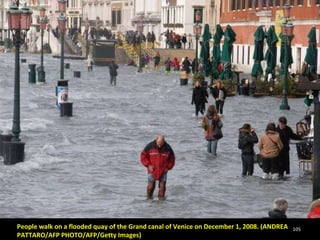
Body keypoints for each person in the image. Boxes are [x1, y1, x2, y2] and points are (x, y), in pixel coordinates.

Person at [140, 135, 175, 200]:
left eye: (161, 144)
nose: (159, 146)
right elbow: (143, 156)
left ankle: (161, 203)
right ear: (156, 140)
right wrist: (148, 165)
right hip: (152, 170)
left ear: (164, 141)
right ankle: (149, 200)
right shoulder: (149, 146)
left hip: (163, 170)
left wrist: (168, 167)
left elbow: (172, 160)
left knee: (162, 188)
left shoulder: (168, 148)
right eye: (158, 143)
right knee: (151, 187)